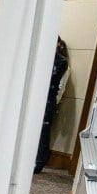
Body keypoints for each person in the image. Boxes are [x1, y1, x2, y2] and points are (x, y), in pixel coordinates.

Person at [36, 37, 69, 173]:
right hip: (34, 96)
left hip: (48, 99)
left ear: (58, 44)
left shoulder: (61, 61)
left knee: (43, 131)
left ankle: (39, 162)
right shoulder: (38, 57)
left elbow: (52, 79)